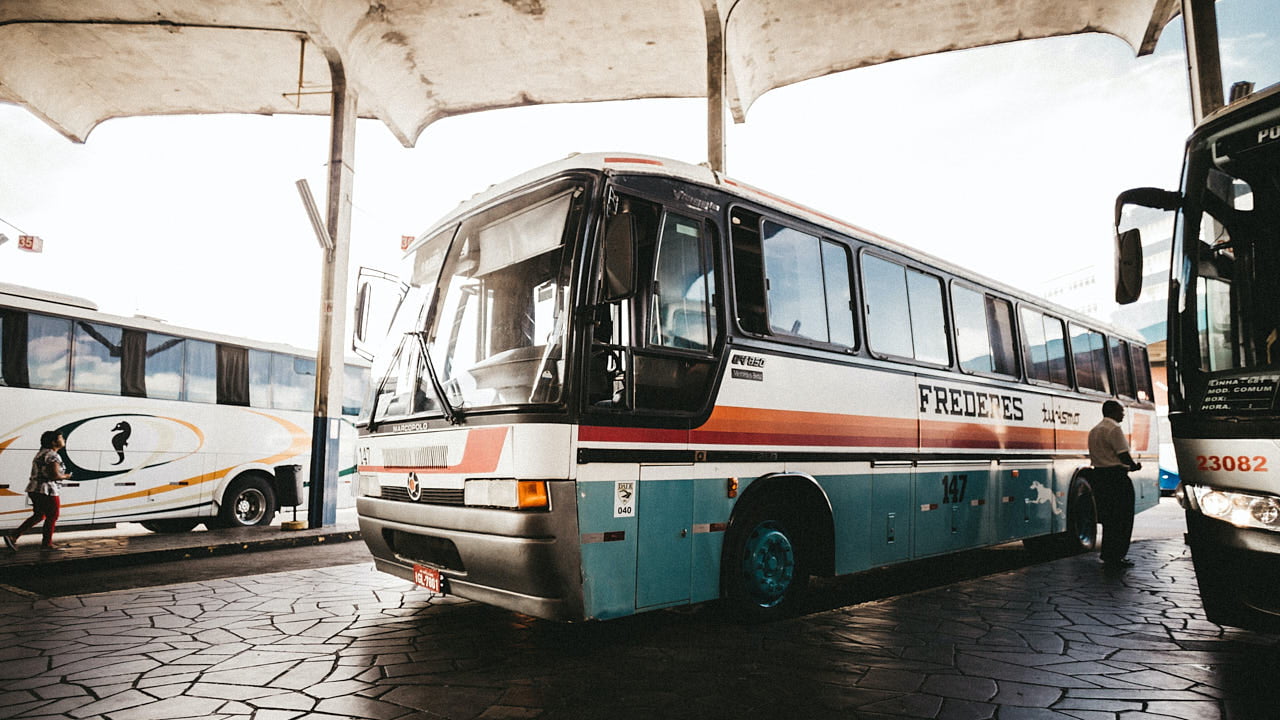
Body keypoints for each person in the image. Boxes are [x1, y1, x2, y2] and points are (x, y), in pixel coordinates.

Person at [1087, 400, 1142, 568]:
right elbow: (1123, 454)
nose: (1123, 414)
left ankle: (1107, 554)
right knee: (1122, 519)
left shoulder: (1094, 430)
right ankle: (1118, 556)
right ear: (1112, 412)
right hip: (1116, 478)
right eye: (1121, 411)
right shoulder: (1114, 429)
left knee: (1109, 519)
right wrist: (1134, 466)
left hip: (1099, 477)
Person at [4, 430, 71, 552]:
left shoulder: (41, 453)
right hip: (47, 490)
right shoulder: (52, 455)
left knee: (39, 515)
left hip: (34, 489)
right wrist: (66, 476)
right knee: (53, 516)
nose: (64, 440)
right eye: (61, 438)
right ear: (53, 442)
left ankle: (13, 536)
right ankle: (47, 545)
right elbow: (54, 475)